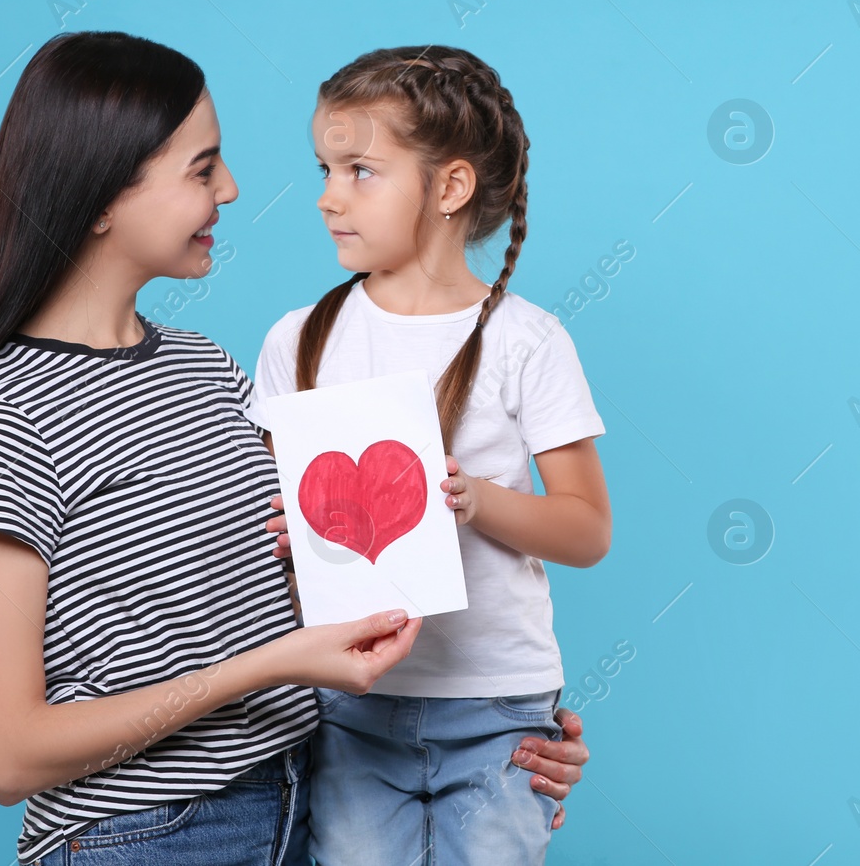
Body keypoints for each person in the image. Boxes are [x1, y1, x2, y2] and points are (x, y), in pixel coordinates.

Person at [0, 31, 591, 866]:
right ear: (100, 196)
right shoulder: (5, 417)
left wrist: (498, 741)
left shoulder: (207, 369)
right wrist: (274, 666)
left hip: (303, 800)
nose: (230, 188)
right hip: (147, 842)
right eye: (202, 169)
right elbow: (9, 757)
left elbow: (312, 577)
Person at [250, 45, 613, 866]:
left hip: (495, 704)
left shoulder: (527, 341)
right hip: (349, 701)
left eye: (360, 171)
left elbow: (588, 528)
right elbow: (263, 522)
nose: (327, 196)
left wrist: (475, 499)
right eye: (325, 168)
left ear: (450, 187)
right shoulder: (297, 340)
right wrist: (286, 536)